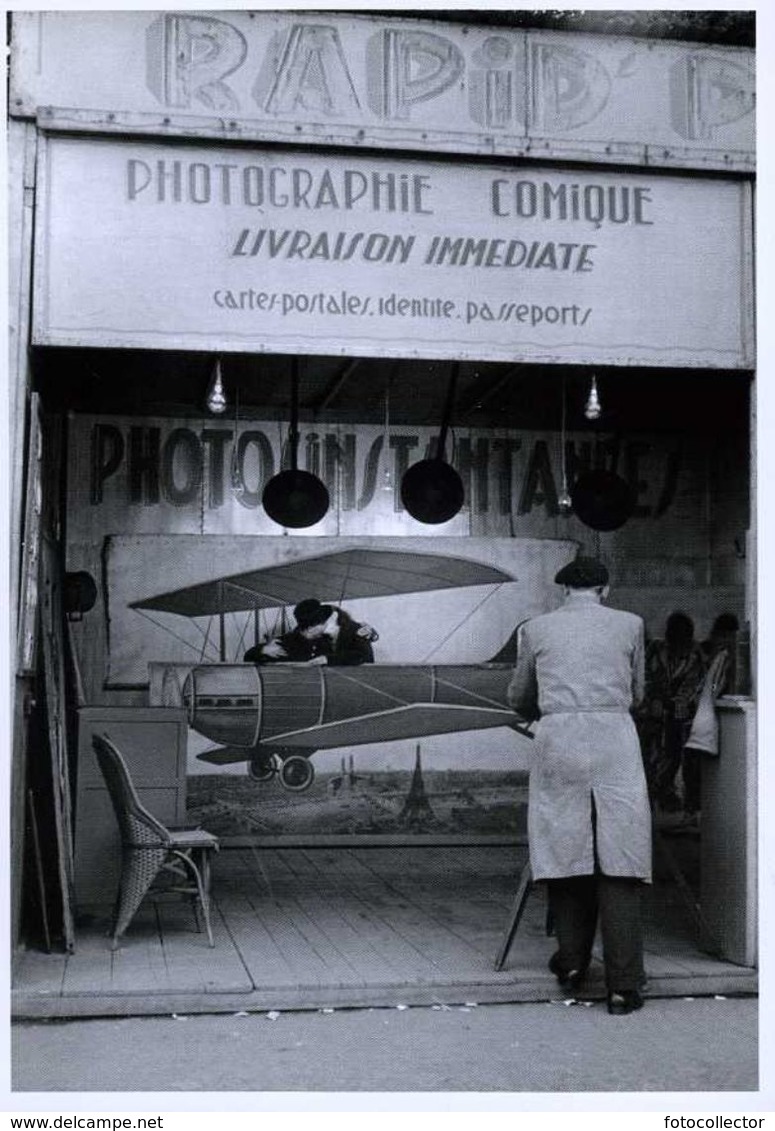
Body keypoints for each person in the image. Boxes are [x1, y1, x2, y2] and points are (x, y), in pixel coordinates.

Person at [507, 556, 651, 1016]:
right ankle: (623, 987)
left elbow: (519, 697)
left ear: (563, 591)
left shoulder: (536, 628)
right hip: (614, 739)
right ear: (605, 590)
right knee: (620, 856)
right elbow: (640, 691)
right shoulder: (631, 625)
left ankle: (571, 963)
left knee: (564, 848)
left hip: (559, 739)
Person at [638, 611, 706, 813]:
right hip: (652, 714)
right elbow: (644, 676)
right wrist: (654, 699)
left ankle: (672, 795)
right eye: (672, 637)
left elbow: (694, 685)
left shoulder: (696, 656)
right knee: (649, 756)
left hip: (680, 715)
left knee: (677, 754)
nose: (675, 643)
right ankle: (655, 794)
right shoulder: (655, 649)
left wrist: (678, 704)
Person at [680, 613, 739, 822]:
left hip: (697, 715)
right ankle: (694, 811)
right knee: (695, 767)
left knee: (693, 766)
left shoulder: (710, 653)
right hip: (707, 716)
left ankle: (692, 811)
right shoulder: (720, 654)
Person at [245, 599, 377, 666]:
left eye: (308, 629)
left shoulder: (355, 630)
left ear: (321, 623)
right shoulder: (302, 635)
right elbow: (250, 656)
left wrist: (328, 659)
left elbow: (365, 657)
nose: (305, 633)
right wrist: (264, 650)